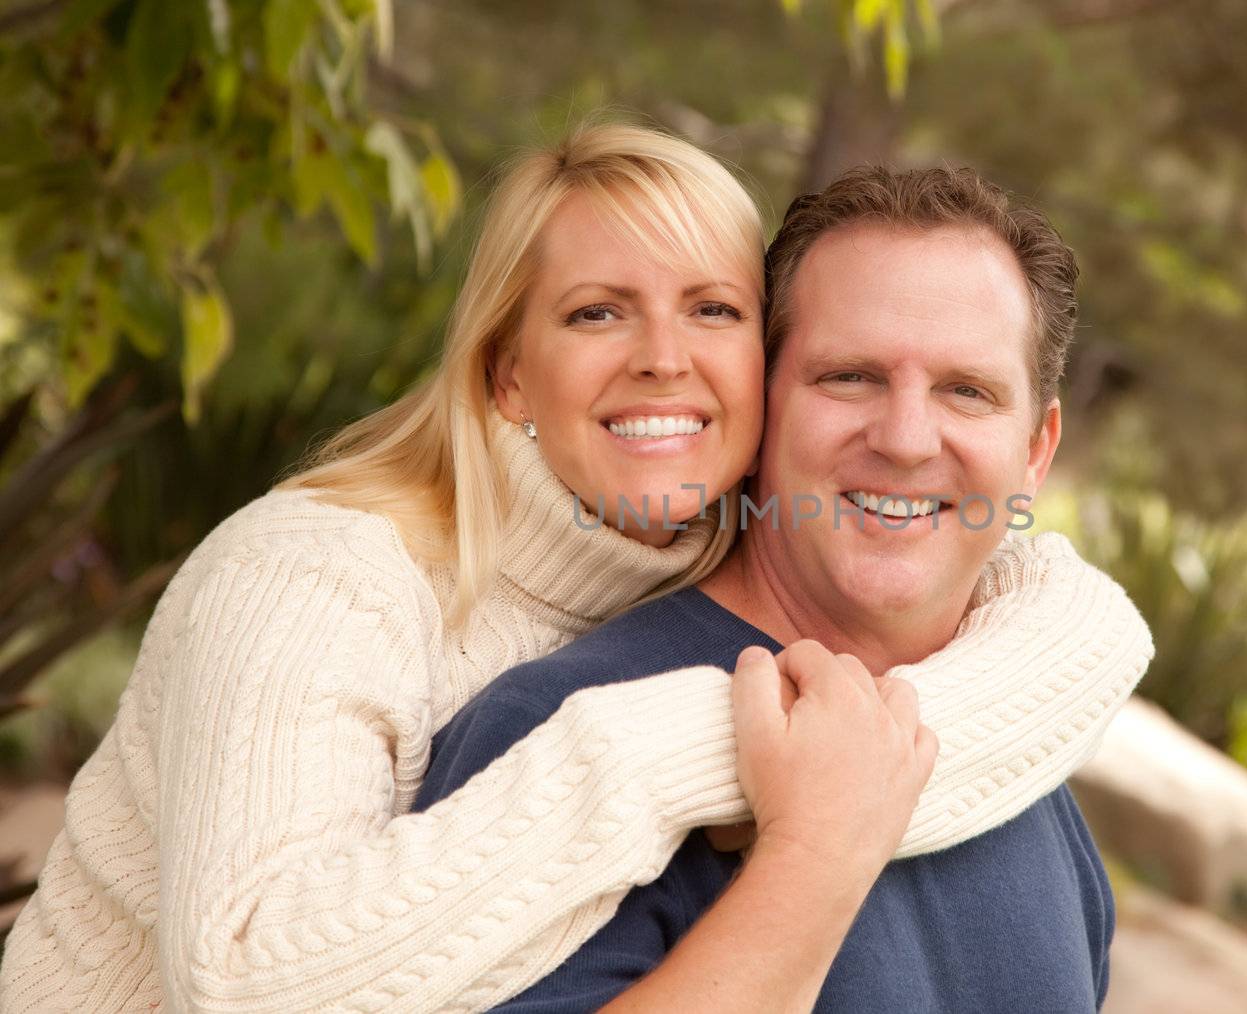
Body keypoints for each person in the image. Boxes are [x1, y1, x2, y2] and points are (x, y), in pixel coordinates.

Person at [0, 125, 1148, 1013]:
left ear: (1038, 447)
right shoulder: (337, 590)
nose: (663, 361)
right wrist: (740, 793)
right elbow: (244, 982)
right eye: (849, 377)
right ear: (505, 374)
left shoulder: (1007, 748)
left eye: (709, 310)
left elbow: (1063, 617)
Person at [418, 164, 1148, 1012]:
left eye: (967, 391)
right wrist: (811, 856)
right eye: (851, 377)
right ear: (762, 404)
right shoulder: (555, 728)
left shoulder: (1021, 775)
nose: (907, 439)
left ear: (1034, 452)